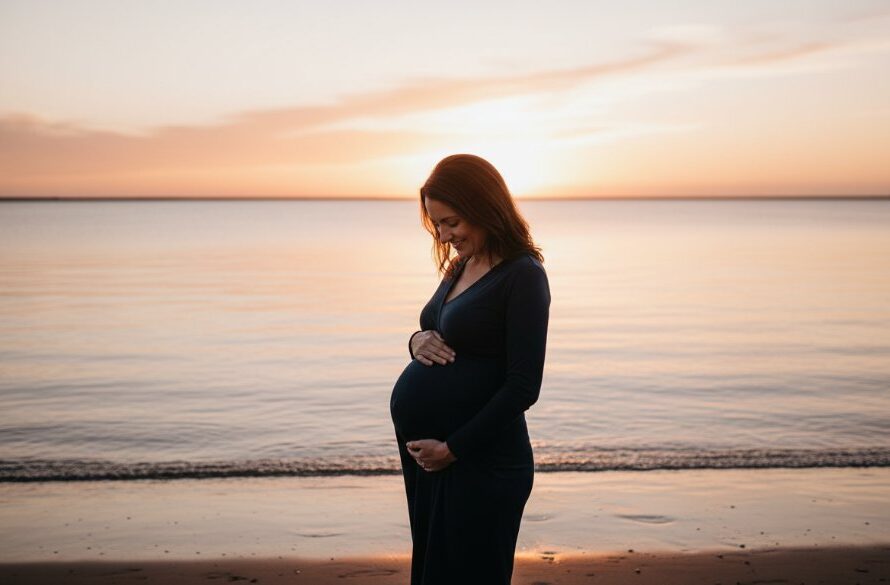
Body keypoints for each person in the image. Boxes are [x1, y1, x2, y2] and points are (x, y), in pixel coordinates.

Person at [390, 154, 551, 584]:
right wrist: (414, 340)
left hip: (482, 463)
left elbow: (523, 386)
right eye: (436, 224)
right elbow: (432, 325)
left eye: (452, 222)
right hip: (436, 463)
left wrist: (453, 448)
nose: (444, 235)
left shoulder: (523, 276)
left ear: (484, 207)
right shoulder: (462, 264)